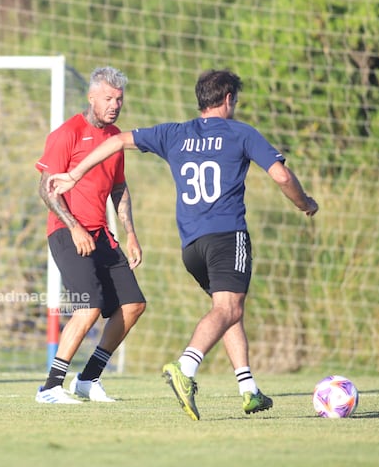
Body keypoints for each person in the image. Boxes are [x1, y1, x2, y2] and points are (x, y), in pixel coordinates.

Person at [49, 69, 318, 419]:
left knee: (226, 308)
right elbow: (281, 175)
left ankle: (248, 387)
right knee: (229, 308)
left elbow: (114, 142)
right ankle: (185, 367)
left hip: (192, 247)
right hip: (227, 236)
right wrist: (305, 203)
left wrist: (74, 173)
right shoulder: (241, 133)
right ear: (227, 99)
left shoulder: (174, 134)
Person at [33, 66, 147, 404]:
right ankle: (51, 387)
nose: (115, 105)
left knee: (134, 304)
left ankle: (88, 380)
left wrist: (130, 233)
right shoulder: (67, 133)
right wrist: (75, 227)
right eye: (109, 98)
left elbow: (119, 188)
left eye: (119, 99)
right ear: (91, 97)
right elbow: (46, 189)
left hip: (102, 234)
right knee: (90, 306)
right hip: (67, 232)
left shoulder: (115, 139)